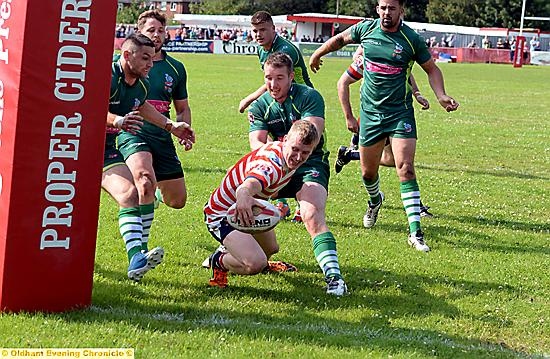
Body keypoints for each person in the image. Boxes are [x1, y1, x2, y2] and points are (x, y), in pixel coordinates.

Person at [309, 0, 459, 252]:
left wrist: (441, 95)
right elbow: (339, 40)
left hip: (400, 114)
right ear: (377, 9)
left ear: (402, 10)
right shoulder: (366, 29)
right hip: (371, 116)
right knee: (368, 173)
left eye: (391, 8)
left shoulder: (411, 39)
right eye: (382, 8)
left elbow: (431, 69)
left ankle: (415, 232)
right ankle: (375, 200)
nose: (386, 13)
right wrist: (317, 53)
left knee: (405, 168)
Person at [248, 52, 347, 295]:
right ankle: (226, 252)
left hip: (309, 163)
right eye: (269, 78)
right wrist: (276, 160)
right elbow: (256, 143)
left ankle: (334, 276)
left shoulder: (309, 96)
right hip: (275, 164)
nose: (273, 84)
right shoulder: (260, 105)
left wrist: (291, 153)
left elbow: (311, 135)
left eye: (280, 78)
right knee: (247, 210)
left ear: (292, 76)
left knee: (311, 213)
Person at [104, 34, 195, 281]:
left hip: (107, 152)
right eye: (145, 58)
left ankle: (136, 258)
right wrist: (117, 120)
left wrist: (171, 126)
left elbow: (144, 107)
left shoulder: (141, 84)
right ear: (126, 55)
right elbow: (90, 107)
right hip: (77, 148)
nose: (150, 64)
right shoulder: (107, 76)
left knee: (130, 194)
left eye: (152, 59)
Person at [204, 120, 318, 289]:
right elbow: (250, 184)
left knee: (271, 248)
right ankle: (218, 260)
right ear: (286, 140)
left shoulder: (285, 155)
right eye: (295, 149)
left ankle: (239, 251)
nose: (299, 157)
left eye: (305, 152)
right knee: (255, 263)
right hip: (222, 214)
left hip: (246, 208)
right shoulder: (270, 165)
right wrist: (243, 194)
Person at [333, 46, 433, 218]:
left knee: (396, 161)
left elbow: (405, 72)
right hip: (375, 114)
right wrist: (348, 116)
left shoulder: (398, 45)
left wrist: (416, 93)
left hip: (396, 114)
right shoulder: (371, 41)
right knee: (401, 163)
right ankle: (418, 207)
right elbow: (350, 72)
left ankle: (350, 155)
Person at [239, 10, 314, 222]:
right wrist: (255, 101)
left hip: (298, 103)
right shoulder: (264, 50)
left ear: (274, 28)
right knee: (272, 149)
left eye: (263, 30)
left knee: (298, 150)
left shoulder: (285, 49)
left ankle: (301, 203)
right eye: (255, 31)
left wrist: (249, 99)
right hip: (278, 101)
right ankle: (281, 202)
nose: (258, 34)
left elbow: (281, 80)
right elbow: (271, 81)